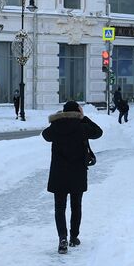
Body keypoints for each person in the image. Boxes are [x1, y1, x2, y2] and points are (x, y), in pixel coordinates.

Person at [42, 100, 103, 255]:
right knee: (76, 206)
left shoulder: (55, 127)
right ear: (78, 111)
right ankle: (74, 237)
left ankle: (62, 238)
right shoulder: (82, 127)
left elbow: (45, 135)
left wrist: (57, 119)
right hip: (77, 172)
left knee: (59, 207)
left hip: (59, 174)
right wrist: (84, 117)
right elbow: (98, 132)